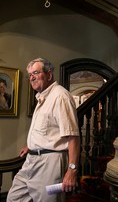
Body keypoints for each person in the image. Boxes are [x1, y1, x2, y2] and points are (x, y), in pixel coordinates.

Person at [7, 58, 80, 202]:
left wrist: (72, 170)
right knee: (14, 198)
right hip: (31, 161)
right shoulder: (42, 97)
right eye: (30, 75)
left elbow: (73, 137)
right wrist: (32, 145)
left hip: (50, 165)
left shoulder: (60, 96)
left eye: (36, 72)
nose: (32, 77)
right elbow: (49, 129)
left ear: (49, 75)